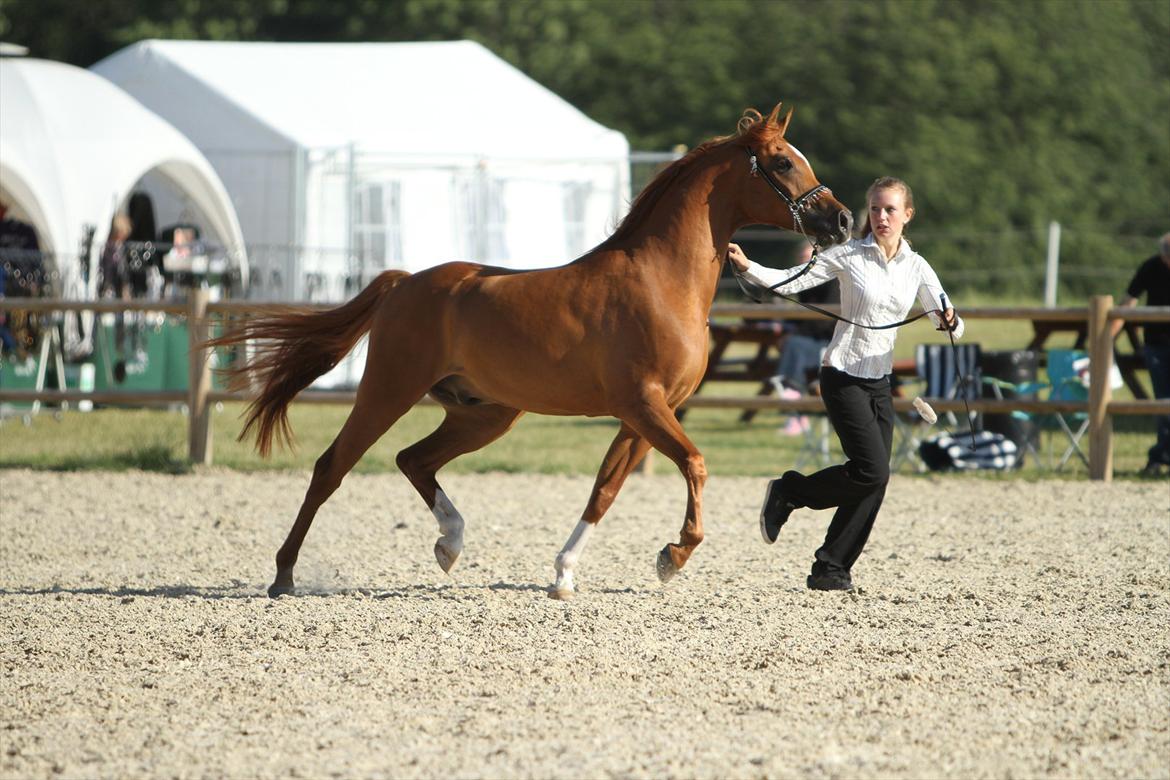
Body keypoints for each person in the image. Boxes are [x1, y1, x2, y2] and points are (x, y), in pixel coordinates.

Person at [727, 176, 963, 591]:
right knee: (872, 470)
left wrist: (950, 321)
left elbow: (945, 318)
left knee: (874, 477)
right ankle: (791, 491)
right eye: (875, 209)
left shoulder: (917, 266)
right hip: (843, 375)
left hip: (880, 381)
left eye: (890, 209)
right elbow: (794, 279)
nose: (881, 217)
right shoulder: (849, 255)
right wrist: (750, 267)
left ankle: (831, 568)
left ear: (908, 215)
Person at [1111, 232, 1170, 477]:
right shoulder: (1150, 267)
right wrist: (1108, 336)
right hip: (1156, 343)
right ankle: (1160, 456)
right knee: (1161, 401)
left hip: (1157, 343)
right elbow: (1129, 301)